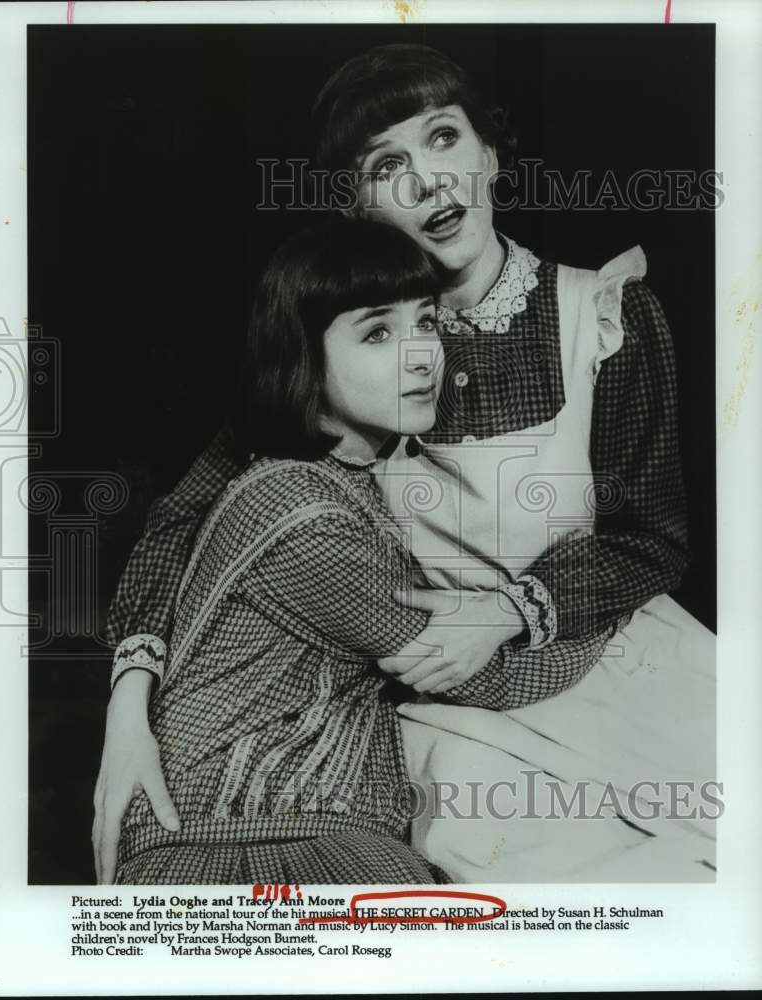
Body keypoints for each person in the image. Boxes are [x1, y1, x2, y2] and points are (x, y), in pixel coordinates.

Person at [95, 43, 705, 884]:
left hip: (601, 652)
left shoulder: (601, 312)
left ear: (490, 155)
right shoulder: (338, 355)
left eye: (444, 139)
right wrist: (130, 709)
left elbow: (653, 538)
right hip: (449, 704)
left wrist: (508, 609)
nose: (429, 181)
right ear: (358, 206)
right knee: (534, 880)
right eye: (389, 165)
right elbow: (186, 520)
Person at [110, 218, 611, 885]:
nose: (420, 356)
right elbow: (484, 676)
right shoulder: (299, 512)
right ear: (302, 359)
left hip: (294, 835)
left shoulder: (337, 482)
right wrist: (609, 598)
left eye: (427, 323)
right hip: (241, 851)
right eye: (377, 332)